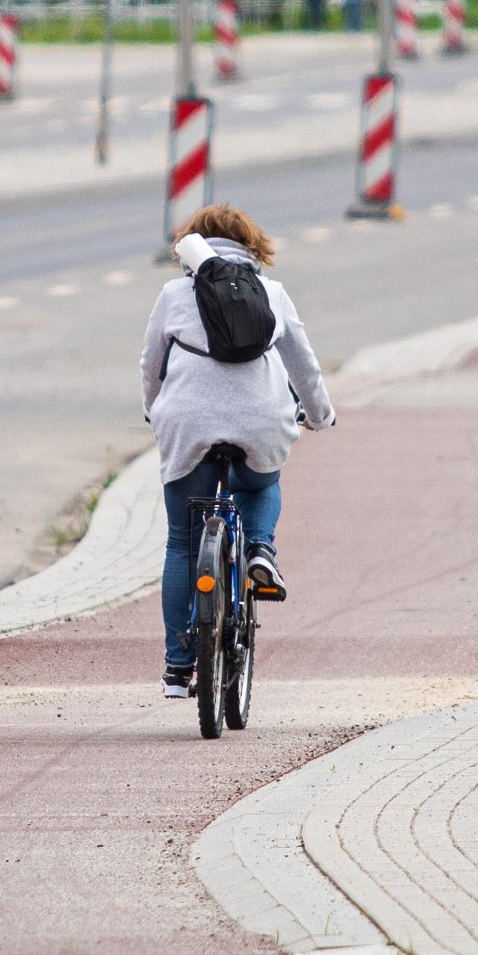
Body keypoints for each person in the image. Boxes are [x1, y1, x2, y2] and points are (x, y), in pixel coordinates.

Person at [138, 203, 335, 700]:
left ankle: (178, 665)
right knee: (261, 483)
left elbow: (151, 364)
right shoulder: (271, 293)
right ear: (252, 246)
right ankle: (260, 551)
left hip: (187, 422)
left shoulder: (173, 293)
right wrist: (320, 413)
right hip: (260, 419)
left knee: (183, 541)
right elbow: (302, 364)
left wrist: (154, 409)